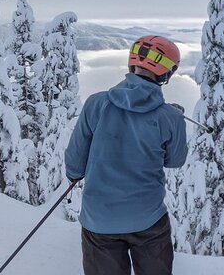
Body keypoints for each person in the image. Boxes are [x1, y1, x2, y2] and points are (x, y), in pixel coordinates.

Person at [65, 35, 188, 275]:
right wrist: (175, 121)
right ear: (166, 73)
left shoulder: (95, 104)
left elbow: (75, 164)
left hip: (99, 220)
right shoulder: (170, 118)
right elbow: (175, 160)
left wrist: (75, 176)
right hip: (148, 218)